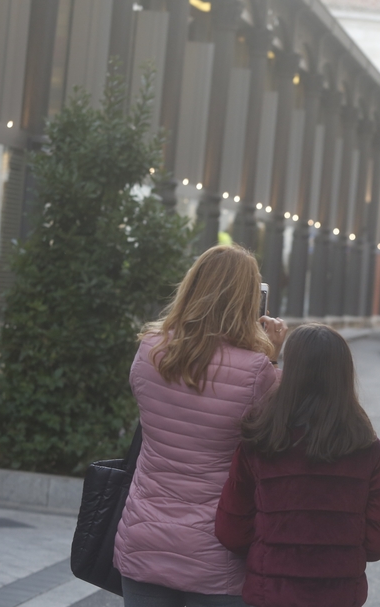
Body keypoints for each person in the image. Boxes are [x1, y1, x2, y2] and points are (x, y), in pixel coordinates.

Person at [114, 245, 288, 607]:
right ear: (247, 302)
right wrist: (272, 355)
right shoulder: (257, 372)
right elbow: (275, 434)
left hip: (144, 540)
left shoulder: (150, 351)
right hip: (215, 554)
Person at [215, 324, 380, 607]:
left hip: (269, 594)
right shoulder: (367, 449)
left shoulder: (260, 442)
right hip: (339, 596)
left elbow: (231, 531)